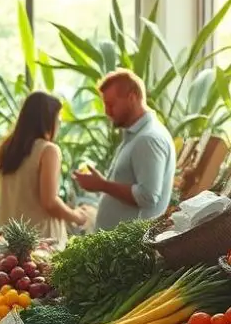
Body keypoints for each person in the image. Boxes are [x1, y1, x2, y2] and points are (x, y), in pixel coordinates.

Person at [73, 69, 175, 230]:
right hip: (118, 248)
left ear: (132, 98)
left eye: (111, 104)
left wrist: (102, 185)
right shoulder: (136, 136)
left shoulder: (148, 139)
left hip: (129, 250)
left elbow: (147, 197)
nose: (107, 111)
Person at [0, 91, 86, 249]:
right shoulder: (48, 150)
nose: (58, 125)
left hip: (9, 241)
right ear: (48, 120)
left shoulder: (7, 149)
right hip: (41, 243)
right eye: (58, 119)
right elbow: (49, 202)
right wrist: (77, 216)